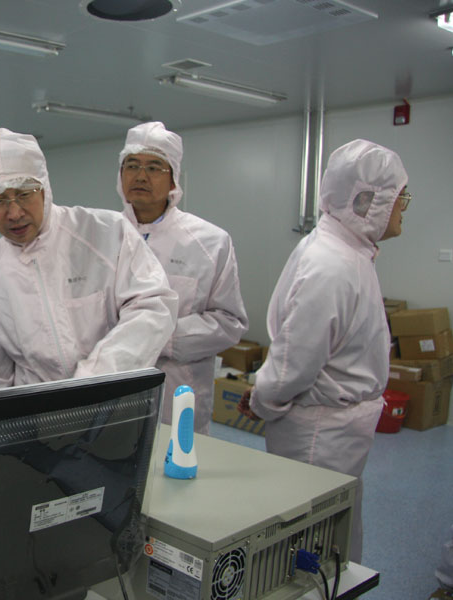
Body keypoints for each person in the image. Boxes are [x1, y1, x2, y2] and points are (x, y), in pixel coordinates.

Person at [237, 139, 410, 563]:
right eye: (400, 197)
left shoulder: (349, 252)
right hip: (319, 436)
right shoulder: (332, 265)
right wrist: (263, 399)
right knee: (310, 547)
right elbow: (294, 362)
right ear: (368, 200)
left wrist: (262, 397)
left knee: (333, 532)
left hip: (335, 429)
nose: (404, 207)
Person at [0, 127, 178, 390]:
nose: (15, 213)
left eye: (24, 193)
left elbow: (153, 306)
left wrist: (95, 377)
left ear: (44, 189)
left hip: (114, 395)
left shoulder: (106, 233)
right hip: (40, 408)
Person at [117, 122, 248, 433]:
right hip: (112, 388)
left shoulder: (209, 242)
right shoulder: (101, 236)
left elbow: (229, 322)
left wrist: (156, 336)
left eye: (154, 167)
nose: (140, 176)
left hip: (176, 392)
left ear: (174, 178)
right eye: (131, 165)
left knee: (177, 459)